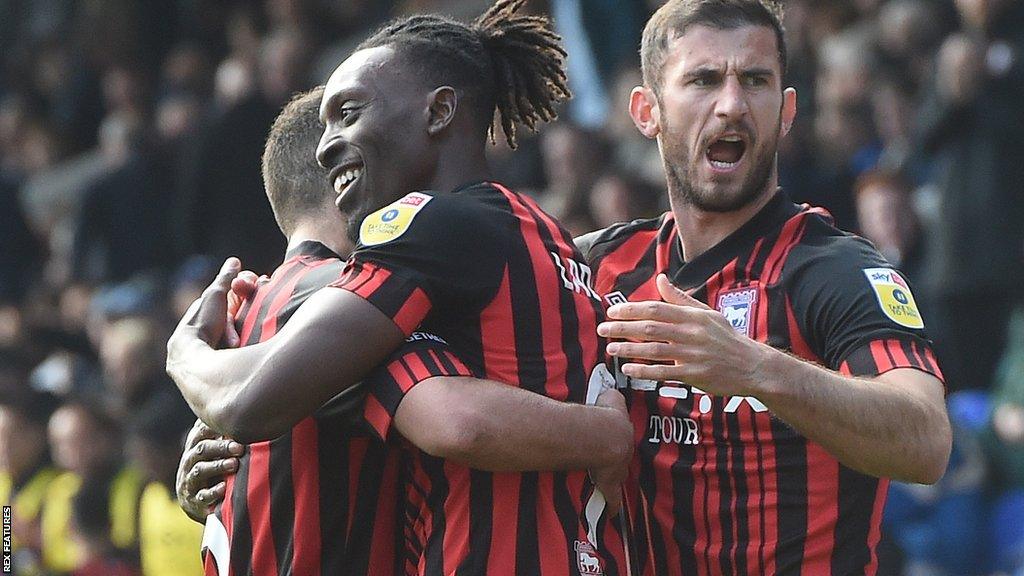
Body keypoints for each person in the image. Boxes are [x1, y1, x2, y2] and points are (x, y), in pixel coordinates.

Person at [173, 63, 631, 576]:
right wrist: (606, 432)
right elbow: (458, 422)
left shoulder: (250, 313)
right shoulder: (344, 306)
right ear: (343, 174)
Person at [573, 1, 951, 574]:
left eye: (755, 81)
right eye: (702, 80)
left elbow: (925, 443)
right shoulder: (600, 267)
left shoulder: (833, 269)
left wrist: (754, 369)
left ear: (786, 110)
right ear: (647, 111)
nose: (731, 106)